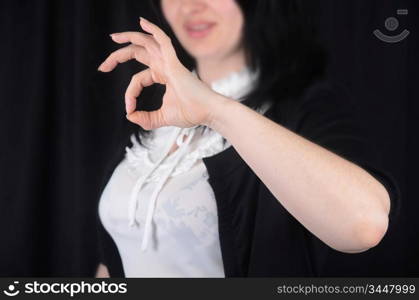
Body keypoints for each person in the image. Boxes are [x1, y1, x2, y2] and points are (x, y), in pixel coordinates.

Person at [95, 0, 399, 277]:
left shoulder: (307, 108)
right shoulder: (148, 105)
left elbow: (364, 226)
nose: (190, 6)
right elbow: (116, 256)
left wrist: (213, 108)